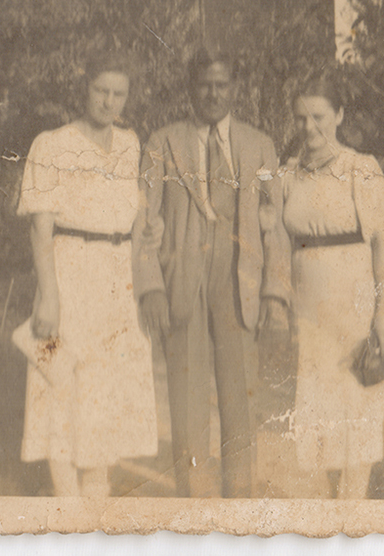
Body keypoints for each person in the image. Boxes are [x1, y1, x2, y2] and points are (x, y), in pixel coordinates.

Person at [138, 50, 291, 498]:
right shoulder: (162, 143)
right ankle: (193, 514)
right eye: (204, 84)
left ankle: (238, 513)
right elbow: (143, 221)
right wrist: (149, 286)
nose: (213, 93)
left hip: (237, 284)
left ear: (235, 89)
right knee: (186, 406)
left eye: (222, 85)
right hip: (182, 281)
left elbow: (275, 224)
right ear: (191, 89)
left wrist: (275, 292)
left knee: (240, 402)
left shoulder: (259, 145)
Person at [16, 52, 158, 497]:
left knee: (105, 387)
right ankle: (66, 500)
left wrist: (149, 225)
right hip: (69, 267)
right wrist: (49, 296)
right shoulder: (52, 144)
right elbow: (40, 228)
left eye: (118, 94)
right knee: (61, 380)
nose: (108, 102)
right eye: (101, 91)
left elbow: (133, 216)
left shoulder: (131, 145)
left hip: (116, 277)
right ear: (85, 89)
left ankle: (97, 493)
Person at [282, 76, 384, 499]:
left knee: (356, 408)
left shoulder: (360, 169)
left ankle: (353, 512)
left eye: (318, 117)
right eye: (301, 118)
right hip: (310, 316)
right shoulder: (289, 175)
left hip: (354, 307)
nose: (309, 127)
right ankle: (326, 517)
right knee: (317, 415)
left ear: (339, 116)